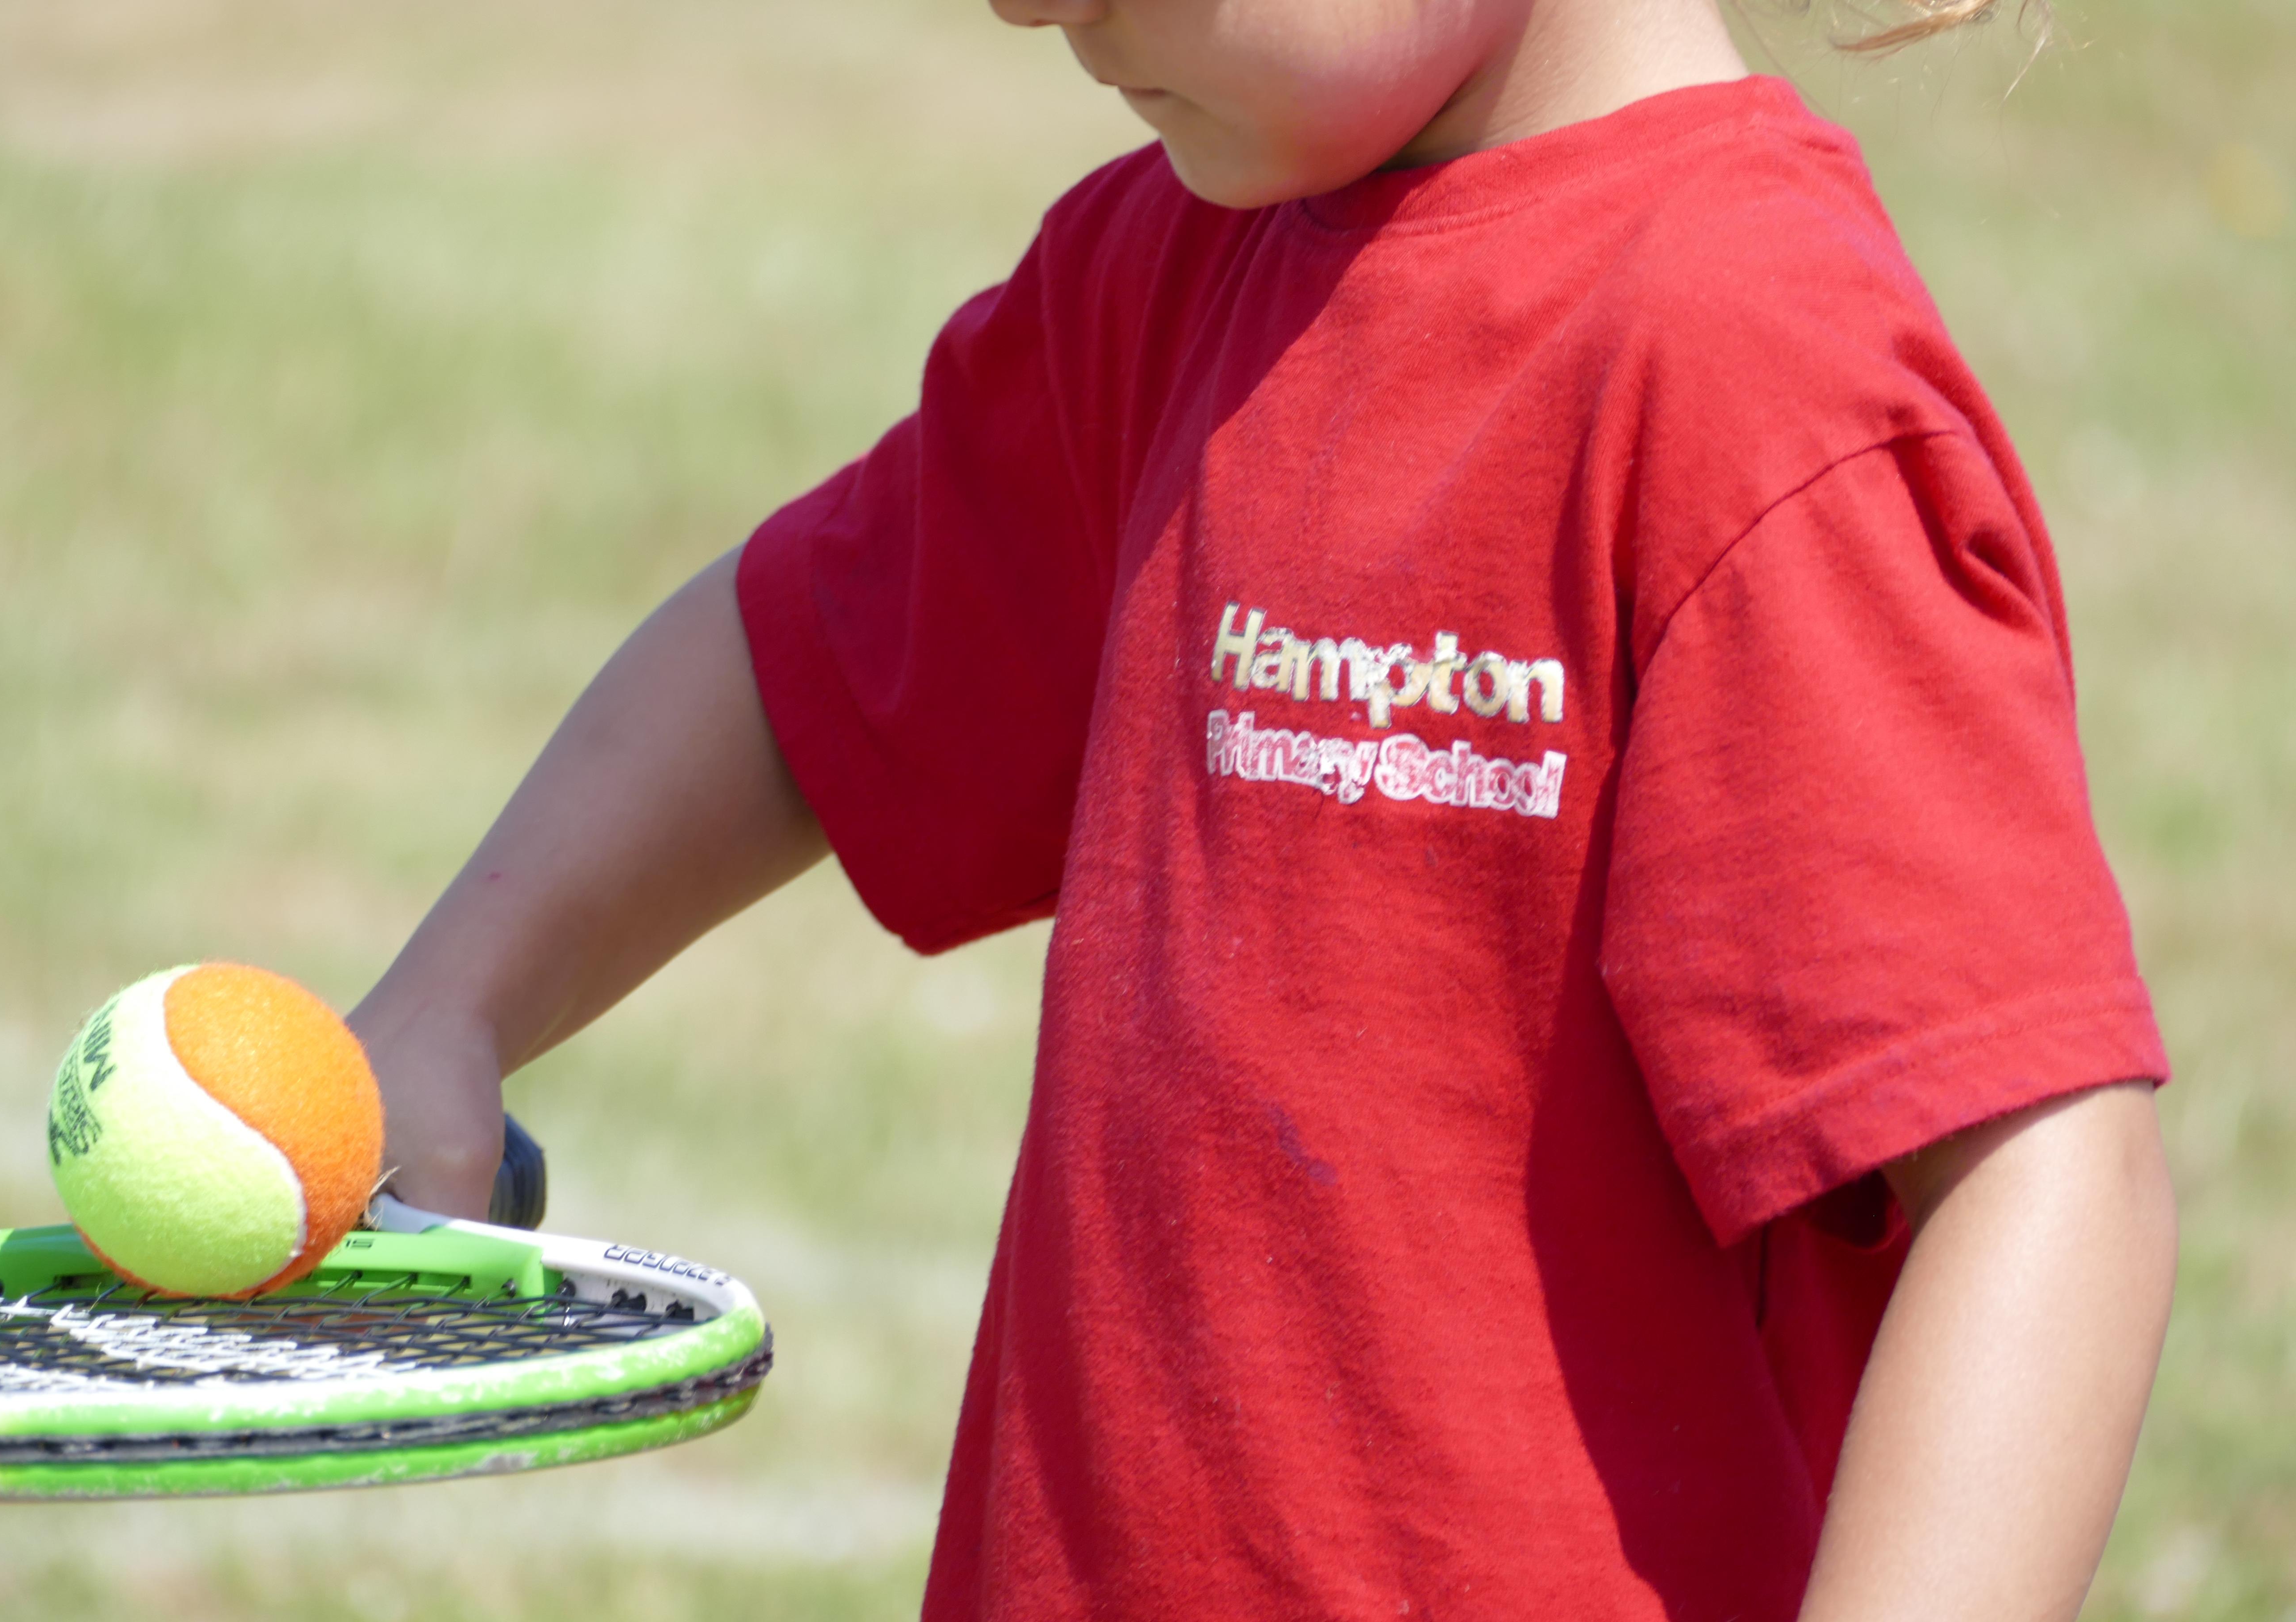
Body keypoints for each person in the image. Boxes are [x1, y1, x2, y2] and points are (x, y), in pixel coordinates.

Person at [350, 0, 2179, 1615]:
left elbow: (2044, 1182)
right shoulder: (1171, 275)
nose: (1025, 5)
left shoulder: (1747, 367)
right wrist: (451, 1008)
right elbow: (811, 659)